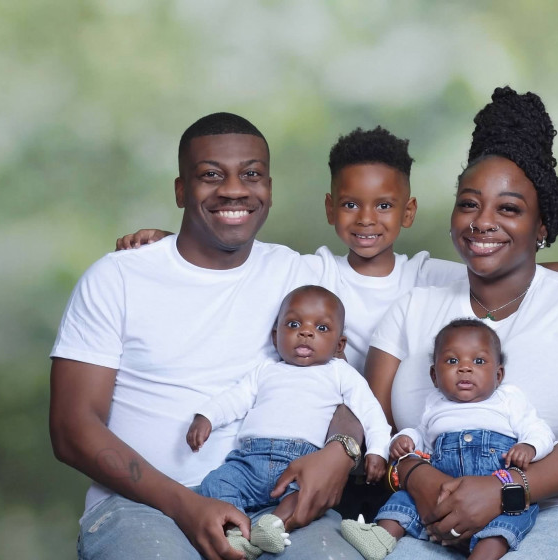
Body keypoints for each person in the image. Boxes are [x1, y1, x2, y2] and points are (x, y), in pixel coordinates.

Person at [115, 125, 558, 522]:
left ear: (408, 212)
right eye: (351, 204)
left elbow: (496, 265)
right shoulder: (312, 271)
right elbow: (240, 258)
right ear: (330, 208)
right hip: (329, 449)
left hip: (393, 451)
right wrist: (170, 241)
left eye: (384, 206)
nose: (366, 219)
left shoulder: (425, 276)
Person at [49, 112, 368, 560]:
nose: (234, 189)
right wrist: (187, 505)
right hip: (143, 507)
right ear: (182, 190)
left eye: (251, 175)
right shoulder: (118, 277)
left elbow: (344, 390)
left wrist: (341, 450)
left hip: (277, 500)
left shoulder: (300, 276)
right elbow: (71, 428)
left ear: (269, 188)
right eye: (211, 175)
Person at [365, 86, 558, 560]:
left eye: (508, 209)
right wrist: (417, 476)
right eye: (469, 203)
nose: (482, 222)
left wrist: (503, 491)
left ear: (541, 227)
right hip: (430, 511)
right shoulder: (413, 307)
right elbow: (371, 424)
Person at [186, 285, 391, 559]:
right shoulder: (265, 370)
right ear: (276, 336)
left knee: (305, 496)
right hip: (249, 460)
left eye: (321, 328)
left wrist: (378, 450)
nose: (306, 332)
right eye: (294, 324)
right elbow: (235, 398)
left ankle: (273, 525)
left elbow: (371, 411)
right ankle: (236, 533)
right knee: (216, 482)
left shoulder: (340, 373)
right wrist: (207, 417)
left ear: (339, 345)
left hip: (301, 464)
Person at [342, 319, 554, 560]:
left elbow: (539, 429)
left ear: (498, 374)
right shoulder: (435, 405)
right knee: (403, 501)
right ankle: (380, 537)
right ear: (434, 375)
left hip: (493, 493)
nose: (465, 368)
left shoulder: (508, 400)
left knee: (511, 516)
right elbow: (421, 434)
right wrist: (405, 438)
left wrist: (529, 446)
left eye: (479, 361)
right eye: (452, 361)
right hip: (439, 493)